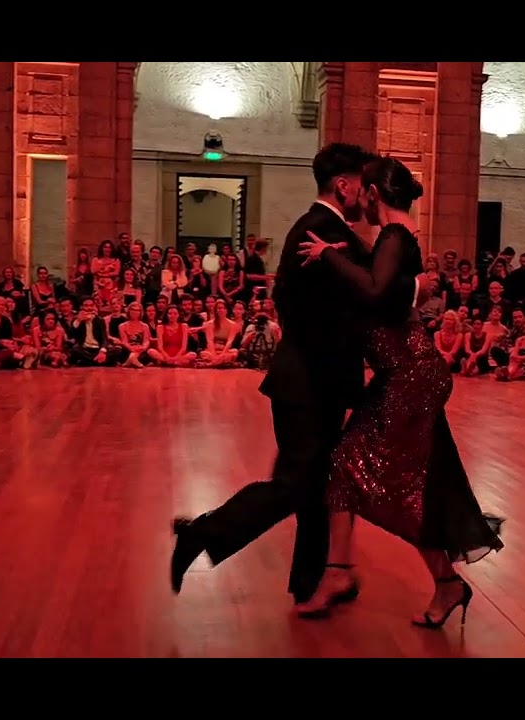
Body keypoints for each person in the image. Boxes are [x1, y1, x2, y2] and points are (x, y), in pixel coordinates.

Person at [292, 156, 503, 627]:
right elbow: (388, 291)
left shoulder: (394, 236)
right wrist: (406, 287)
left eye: (362, 194)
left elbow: (372, 289)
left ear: (371, 194)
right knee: (356, 471)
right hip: (405, 373)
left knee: (385, 481)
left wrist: (327, 254)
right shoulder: (396, 238)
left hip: (410, 374)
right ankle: (394, 577)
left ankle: (346, 573)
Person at [169, 143, 377, 606]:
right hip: (310, 382)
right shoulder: (322, 231)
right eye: (363, 185)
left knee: (315, 482)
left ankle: (312, 582)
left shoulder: (318, 228)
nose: (367, 195)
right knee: (299, 484)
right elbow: (369, 293)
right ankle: (201, 532)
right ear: (343, 186)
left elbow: (295, 300)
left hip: (307, 378)